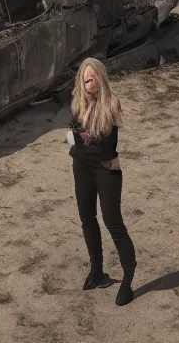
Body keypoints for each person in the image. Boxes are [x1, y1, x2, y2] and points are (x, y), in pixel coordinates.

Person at [67, 57, 137, 306]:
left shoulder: (111, 103)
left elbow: (106, 148)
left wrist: (81, 144)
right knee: (87, 219)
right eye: (85, 77)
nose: (88, 80)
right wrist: (82, 145)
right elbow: (75, 141)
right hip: (82, 170)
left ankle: (128, 278)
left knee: (112, 222)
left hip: (107, 170)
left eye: (92, 75)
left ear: (100, 77)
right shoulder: (78, 105)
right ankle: (97, 272)